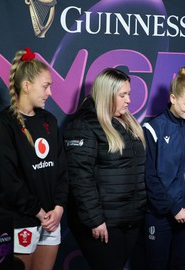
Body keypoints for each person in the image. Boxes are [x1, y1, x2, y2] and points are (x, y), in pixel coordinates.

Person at [63, 68, 147, 270]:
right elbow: (80, 178)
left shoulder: (126, 121)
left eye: (129, 94)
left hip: (129, 219)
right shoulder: (84, 125)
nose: (128, 100)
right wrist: (95, 220)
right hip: (103, 222)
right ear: (107, 94)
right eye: (122, 95)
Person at [0, 48, 68, 270]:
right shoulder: (5, 123)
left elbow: (62, 170)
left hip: (51, 220)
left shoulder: (49, 119)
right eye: (45, 86)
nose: (49, 93)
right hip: (22, 220)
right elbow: (8, 179)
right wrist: (38, 212)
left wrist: (58, 209)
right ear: (26, 86)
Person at [142, 66, 185, 270]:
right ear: (173, 98)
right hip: (160, 215)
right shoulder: (153, 128)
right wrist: (172, 208)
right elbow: (150, 177)